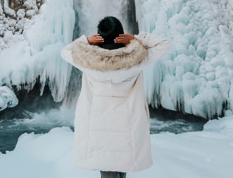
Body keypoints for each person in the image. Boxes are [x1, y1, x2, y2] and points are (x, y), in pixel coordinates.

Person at [61, 16, 171, 178]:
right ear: (121, 35)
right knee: (122, 164)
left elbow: (65, 52)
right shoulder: (137, 59)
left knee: (106, 169)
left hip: (98, 129)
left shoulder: (85, 60)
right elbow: (164, 44)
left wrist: (86, 41)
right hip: (127, 126)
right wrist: (136, 38)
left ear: (99, 36)